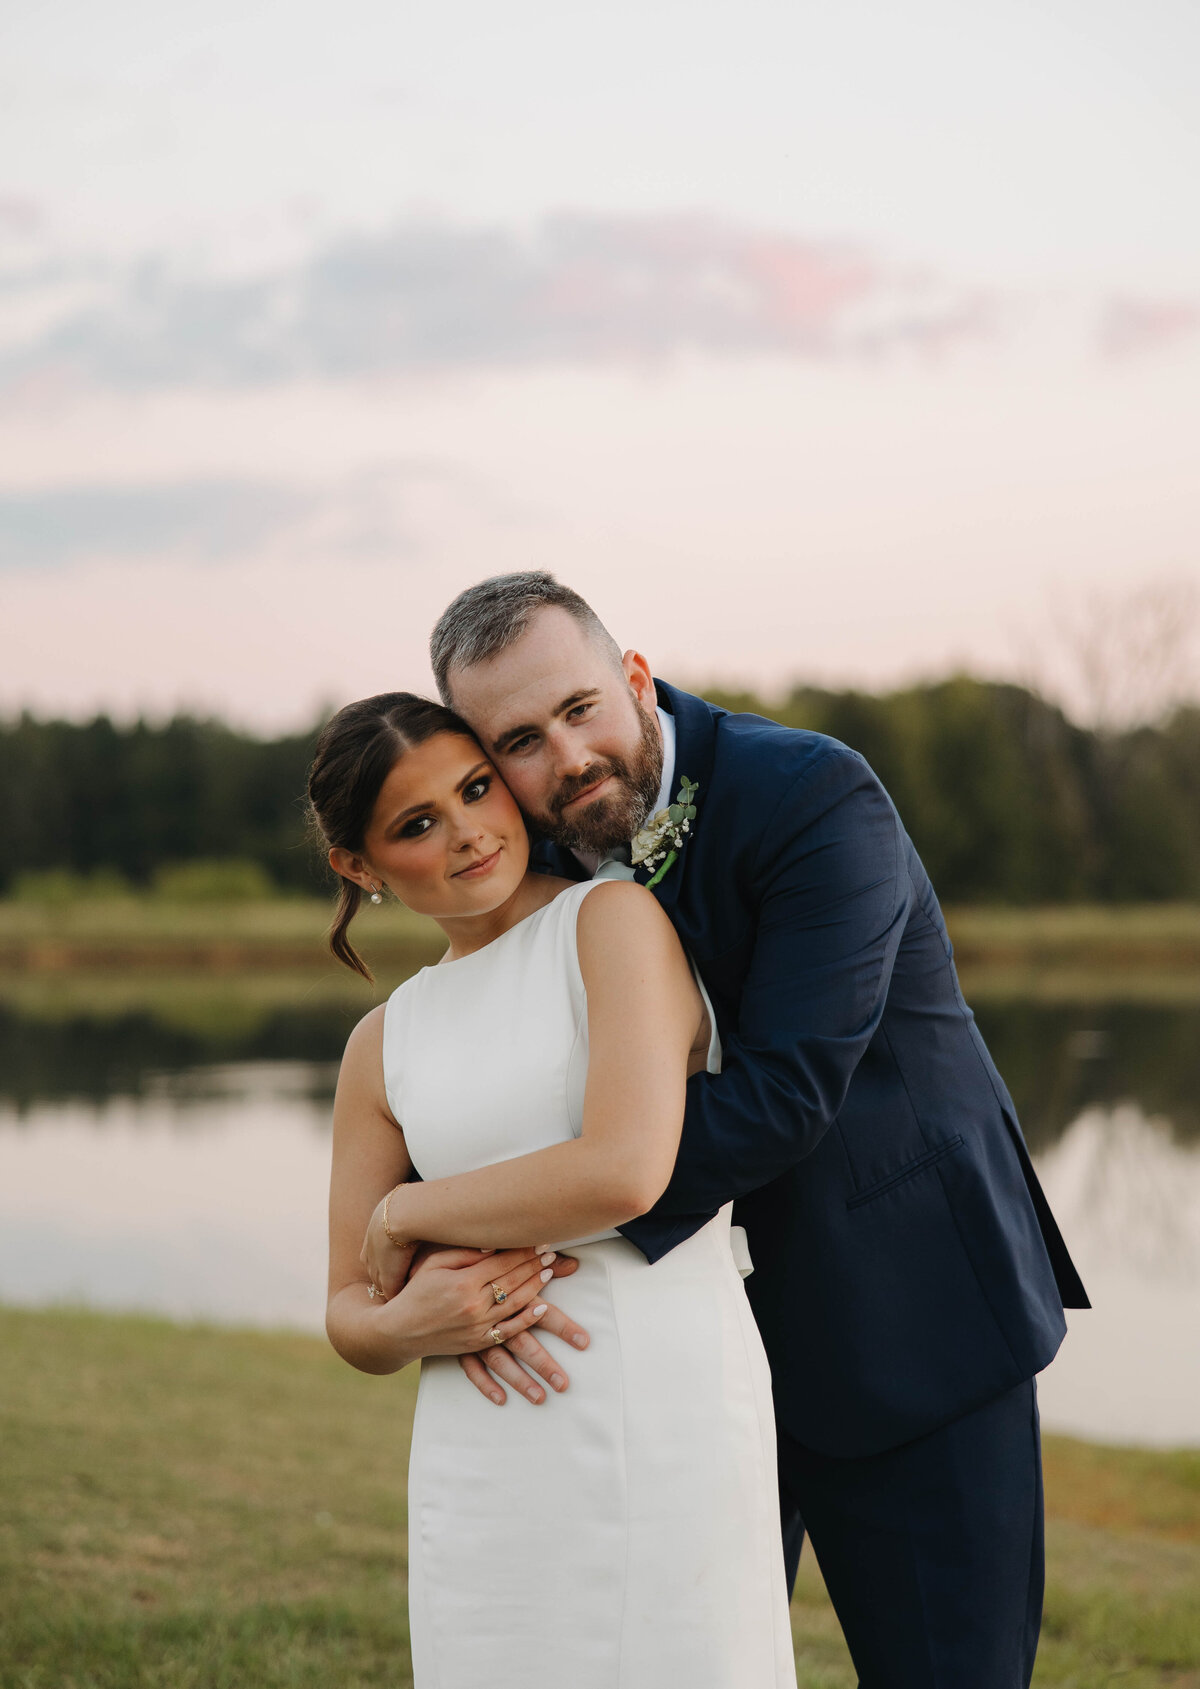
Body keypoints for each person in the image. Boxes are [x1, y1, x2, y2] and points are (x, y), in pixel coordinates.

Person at [373, 570, 1090, 1689]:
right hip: (680, 1365)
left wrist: (519, 1220)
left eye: (578, 709)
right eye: (518, 739)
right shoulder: (539, 855)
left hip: (910, 1319)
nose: (564, 757)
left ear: (633, 677)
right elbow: (506, 1066)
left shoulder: (814, 795)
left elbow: (784, 1093)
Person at [310, 692, 796, 1688]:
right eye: (416, 824)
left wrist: (407, 1213)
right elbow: (349, 1315)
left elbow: (624, 1171)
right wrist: (415, 1325)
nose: (470, 833)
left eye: (477, 788)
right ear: (357, 868)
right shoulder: (383, 1043)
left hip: (659, 1392)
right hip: (477, 1436)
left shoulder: (611, 923)